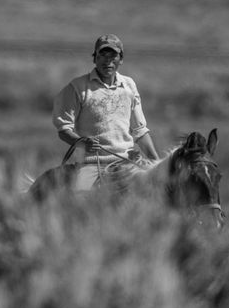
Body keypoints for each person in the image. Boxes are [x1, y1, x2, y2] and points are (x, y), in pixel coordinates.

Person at [51, 34, 159, 192]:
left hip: (128, 160)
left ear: (120, 59)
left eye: (113, 55)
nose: (107, 61)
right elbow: (63, 129)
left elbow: (140, 131)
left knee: (156, 192)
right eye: (103, 55)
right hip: (92, 163)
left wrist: (156, 163)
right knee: (81, 195)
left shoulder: (129, 85)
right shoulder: (78, 87)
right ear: (95, 59)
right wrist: (81, 142)